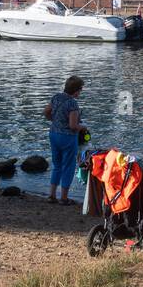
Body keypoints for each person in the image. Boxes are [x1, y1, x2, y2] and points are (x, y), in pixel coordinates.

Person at [44, 75, 85, 205]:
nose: (81, 92)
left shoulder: (56, 97)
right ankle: (64, 198)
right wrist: (83, 127)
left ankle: (51, 195)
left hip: (53, 134)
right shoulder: (72, 103)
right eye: (80, 89)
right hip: (67, 137)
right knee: (68, 166)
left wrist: (55, 121)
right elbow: (73, 126)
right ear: (76, 90)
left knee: (57, 165)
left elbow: (46, 112)